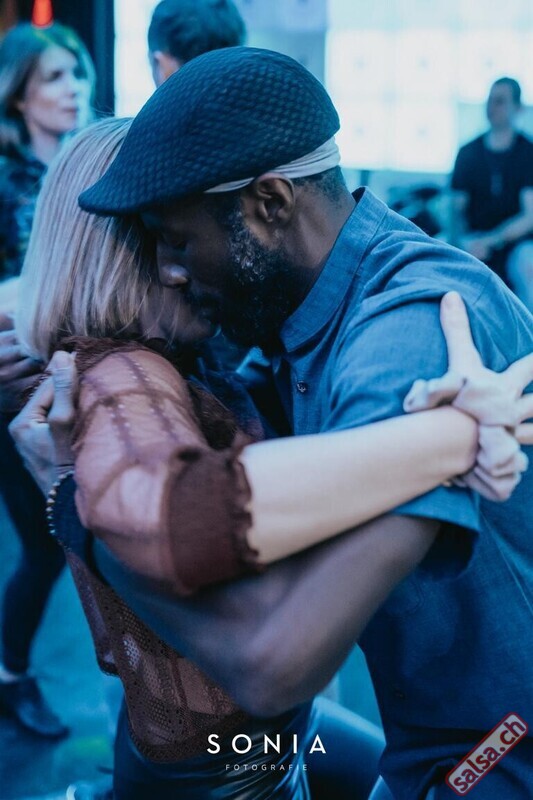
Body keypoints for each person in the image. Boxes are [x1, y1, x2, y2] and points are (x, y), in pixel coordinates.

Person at [59, 48, 533, 799]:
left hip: (495, 754)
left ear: (271, 205)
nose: (170, 270)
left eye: (176, 240)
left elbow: (272, 661)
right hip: (426, 746)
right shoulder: (301, 320)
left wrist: (85, 518)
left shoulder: (413, 340)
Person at [0, 21, 94, 738]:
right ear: (19, 95)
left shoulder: (89, 171)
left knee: (72, 535)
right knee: (43, 544)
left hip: (74, 370)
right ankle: (9, 674)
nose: (73, 89)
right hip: (12, 378)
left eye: (78, 74)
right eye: (55, 77)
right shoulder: (5, 180)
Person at [450, 77, 533, 309]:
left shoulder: (528, 153)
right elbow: (456, 210)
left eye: (500, 101)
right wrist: (463, 242)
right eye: (490, 100)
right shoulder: (468, 153)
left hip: (515, 245)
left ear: (518, 108)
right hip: (473, 240)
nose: (492, 107)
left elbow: (529, 216)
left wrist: (493, 239)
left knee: (529, 264)